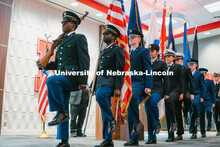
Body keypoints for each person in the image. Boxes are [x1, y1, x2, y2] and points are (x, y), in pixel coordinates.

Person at [36, 11, 90, 147]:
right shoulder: (62, 42)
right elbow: (58, 63)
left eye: (65, 22)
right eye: (63, 22)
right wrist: (44, 65)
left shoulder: (79, 38)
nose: (63, 24)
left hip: (73, 77)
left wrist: (83, 80)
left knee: (51, 80)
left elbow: (84, 60)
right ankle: (64, 141)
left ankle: (61, 112)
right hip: (63, 76)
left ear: (73, 24)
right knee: (64, 106)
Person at [94, 24, 125, 147]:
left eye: (106, 34)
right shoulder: (103, 50)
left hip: (110, 81)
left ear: (113, 36)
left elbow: (120, 68)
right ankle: (108, 139)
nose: (104, 35)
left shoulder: (117, 50)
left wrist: (117, 87)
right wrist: (93, 84)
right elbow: (98, 68)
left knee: (100, 97)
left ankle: (112, 119)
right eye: (104, 34)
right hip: (100, 81)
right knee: (103, 110)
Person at [123, 29, 152, 146]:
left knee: (132, 98)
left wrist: (148, 85)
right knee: (130, 108)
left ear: (139, 39)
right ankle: (133, 138)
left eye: (133, 37)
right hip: (130, 83)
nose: (130, 39)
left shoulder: (144, 51)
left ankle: (136, 124)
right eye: (129, 37)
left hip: (139, 83)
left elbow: (148, 68)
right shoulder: (128, 53)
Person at [144, 44, 169, 144]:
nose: (150, 52)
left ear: (157, 52)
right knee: (148, 114)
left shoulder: (162, 63)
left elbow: (166, 78)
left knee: (152, 102)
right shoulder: (146, 62)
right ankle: (152, 138)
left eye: (153, 50)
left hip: (158, 89)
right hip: (147, 90)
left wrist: (166, 93)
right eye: (149, 50)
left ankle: (156, 122)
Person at [164, 49, 184, 142]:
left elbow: (181, 81)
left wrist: (182, 93)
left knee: (169, 101)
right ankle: (170, 134)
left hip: (175, 91)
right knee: (169, 111)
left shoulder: (178, 67)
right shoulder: (163, 67)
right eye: (166, 56)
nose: (167, 58)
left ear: (173, 58)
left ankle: (173, 123)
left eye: (169, 56)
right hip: (166, 91)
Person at [187, 59, 206, 139]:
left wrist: (202, 96)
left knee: (194, 105)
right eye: (189, 64)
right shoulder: (186, 74)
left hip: (197, 94)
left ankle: (197, 116)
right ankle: (193, 132)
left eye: (192, 64)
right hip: (188, 94)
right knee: (192, 112)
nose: (190, 66)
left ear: (196, 65)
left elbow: (203, 86)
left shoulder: (199, 75)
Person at [174, 52, 195, 126]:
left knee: (188, 99)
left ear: (182, 60)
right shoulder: (173, 69)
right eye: (175, 60)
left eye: (178, 60)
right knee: (177, 109)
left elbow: (191, 82)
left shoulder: (186, 69)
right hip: (176, 90)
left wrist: (192, 93)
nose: (176, 62)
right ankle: (179, 129)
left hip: (185, 90)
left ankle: (185, 113)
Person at [198, 68, 216, 138]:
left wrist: (213, 102)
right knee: (201, 117)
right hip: (200, 101)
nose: (202, 75)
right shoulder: (197, 82)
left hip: (208, 100)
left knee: (208, 111)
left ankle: (209, 122)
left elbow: (213, 92)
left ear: (206, 74)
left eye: (203, 73)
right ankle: (203, 132)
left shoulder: (210, 81)